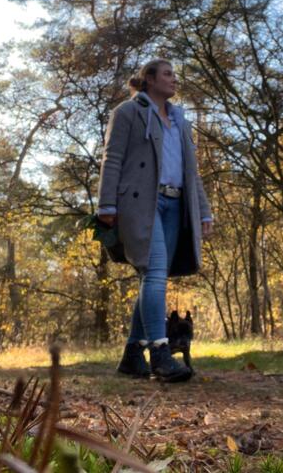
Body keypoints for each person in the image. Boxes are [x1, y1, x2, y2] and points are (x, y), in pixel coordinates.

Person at [97, 59, 213, 382]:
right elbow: (113, 158)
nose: (174, 79)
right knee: (156, 271)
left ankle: (133, 355)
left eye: (174, 75)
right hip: (141, 204)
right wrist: (106, 204)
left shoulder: (180, 121)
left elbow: (192, 172)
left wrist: (203, 210)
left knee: (152, 274)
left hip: (176, 204)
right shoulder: (127, 113)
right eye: (167, 74)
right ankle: (160, 353)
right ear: (148, 79)